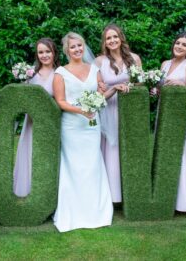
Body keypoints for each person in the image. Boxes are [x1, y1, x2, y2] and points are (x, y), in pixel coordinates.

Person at [53, 32, 113, 232]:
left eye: (79, 45)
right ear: (66, 50)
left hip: (91, 126)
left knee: (92, 164)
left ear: (83, 46)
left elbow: (99, 93)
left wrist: (101, 92)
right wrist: (81, 110)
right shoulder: (60, 73)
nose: (77, 49)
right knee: (74, 167)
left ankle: (96, 211)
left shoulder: (94, 69)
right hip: (71, 127)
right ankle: (73, 212)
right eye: (72, 47)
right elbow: (60, 101)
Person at [95, 24, 141, 203]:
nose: (112, 41)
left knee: (128, 149)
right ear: (105, 43)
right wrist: (106, 87)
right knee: (110, 149)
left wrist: (129, 86)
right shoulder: (100, 62)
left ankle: (130, 192)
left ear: (120, 38)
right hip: (108, 108)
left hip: (128, 110)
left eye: (115, 37)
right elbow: (98, 88)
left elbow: (140, 83)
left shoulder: (134, 59)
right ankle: (112, 196)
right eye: (108, 38)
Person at [13, 38, 60, 197]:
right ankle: (28, 190)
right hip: (31, 123)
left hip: (50, 122)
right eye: (41, 52)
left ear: (54, 53)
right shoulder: (30, 74)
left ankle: (48, 194)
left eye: (48, 51)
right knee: (30, 153)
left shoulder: (60, 73)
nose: (44, 55)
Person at [159, 33, 186, 212]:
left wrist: (180, 85)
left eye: (184, 45)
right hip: (164, 112)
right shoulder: (165, 64)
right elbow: (162, 88)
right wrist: (156, 89)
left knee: (179, 153)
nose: (180, 46)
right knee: (164, 152)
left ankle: (181, 202)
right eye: (177, 43)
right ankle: (164, 195)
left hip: (180, 116)